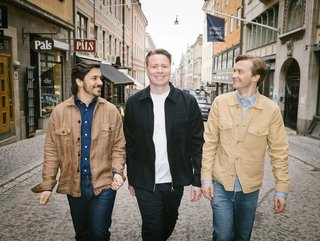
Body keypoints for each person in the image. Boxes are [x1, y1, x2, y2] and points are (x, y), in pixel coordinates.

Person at [32, 62, 126, 241]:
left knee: (99, 233)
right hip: (75, 184)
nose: (100, 82)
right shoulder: (59, 112)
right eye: (94, 78)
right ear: (79, 81)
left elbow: (118, 146)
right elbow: (52, 151)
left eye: (100, 78)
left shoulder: (111, 111)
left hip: (104, 183)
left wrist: (117, 172)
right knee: (82, 234)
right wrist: (47, 184)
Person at [201, 55, 289, 241]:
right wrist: (206, 178)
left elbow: (279, 152)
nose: (234, 75)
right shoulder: (220, 103)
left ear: (255, 77)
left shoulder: (271, 110)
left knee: (242, 236)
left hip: (249, 189)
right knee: (222, 235)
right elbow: (209, 144)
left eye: (240, 71)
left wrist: (281, 189)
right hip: (221, 184)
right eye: (234, 70)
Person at [123, 48, 204, 241]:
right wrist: (132, 177)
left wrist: (197, 179)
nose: (159, 71)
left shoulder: (188, 102)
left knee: (168, 222)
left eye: (164, 66)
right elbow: (129, 143)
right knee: (152, 230)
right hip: (145, 181)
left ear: (170, 68)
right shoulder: (134, 102)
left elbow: (197, 143)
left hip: (174, 182)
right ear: (147, 69)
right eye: (154, 66)